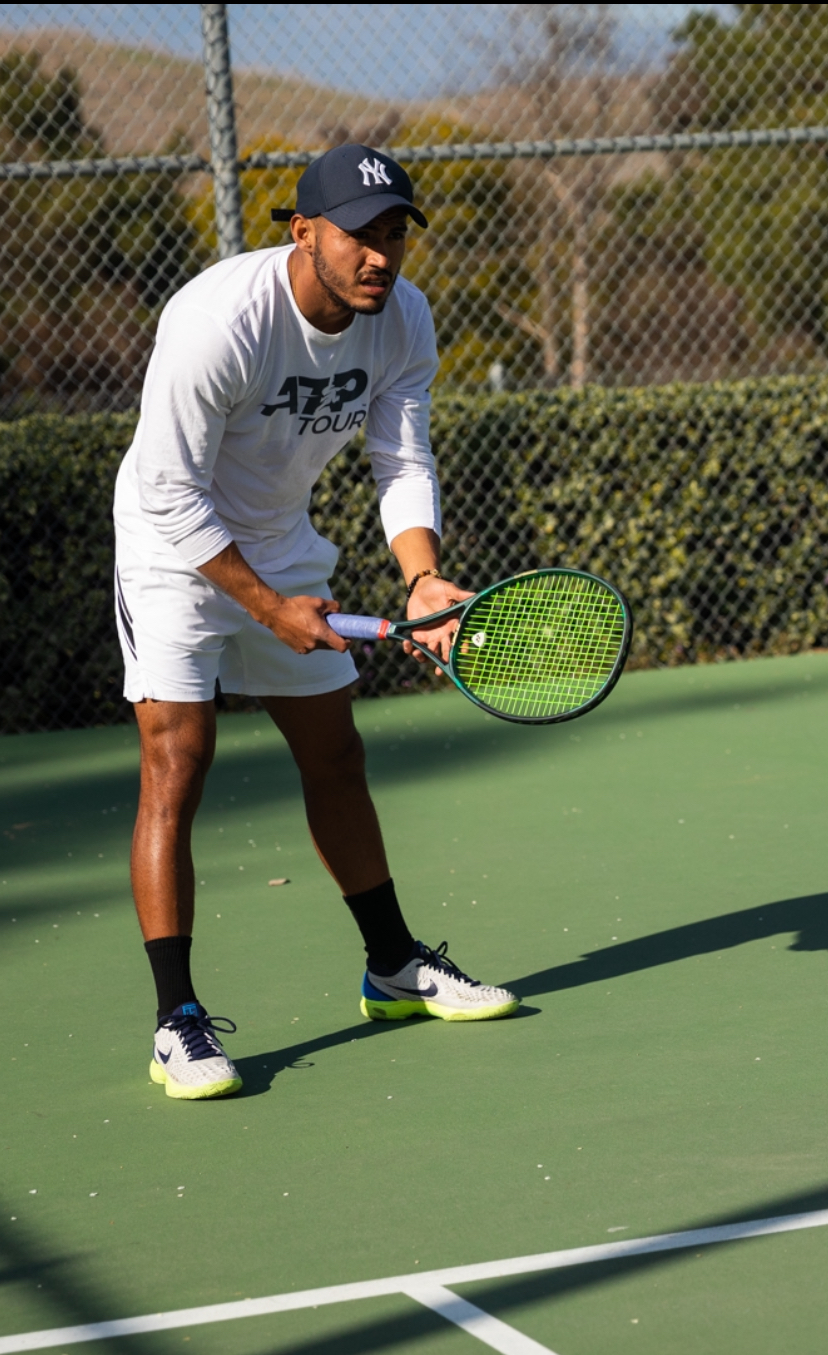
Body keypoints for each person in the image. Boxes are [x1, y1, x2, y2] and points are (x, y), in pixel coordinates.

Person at [113, 143, 518, 1102]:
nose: (381, 257)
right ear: (303, 233)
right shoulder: (219, 321)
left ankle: (393, 969)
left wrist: (420, 578)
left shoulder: (401, 319)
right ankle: (177, 1021)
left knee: (335, 755)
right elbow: (169, 490)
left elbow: (400, 455)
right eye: (360, 237)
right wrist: (265, 607)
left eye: (393, 236)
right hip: (174, 547)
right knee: (180, 761)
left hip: (283, 543)